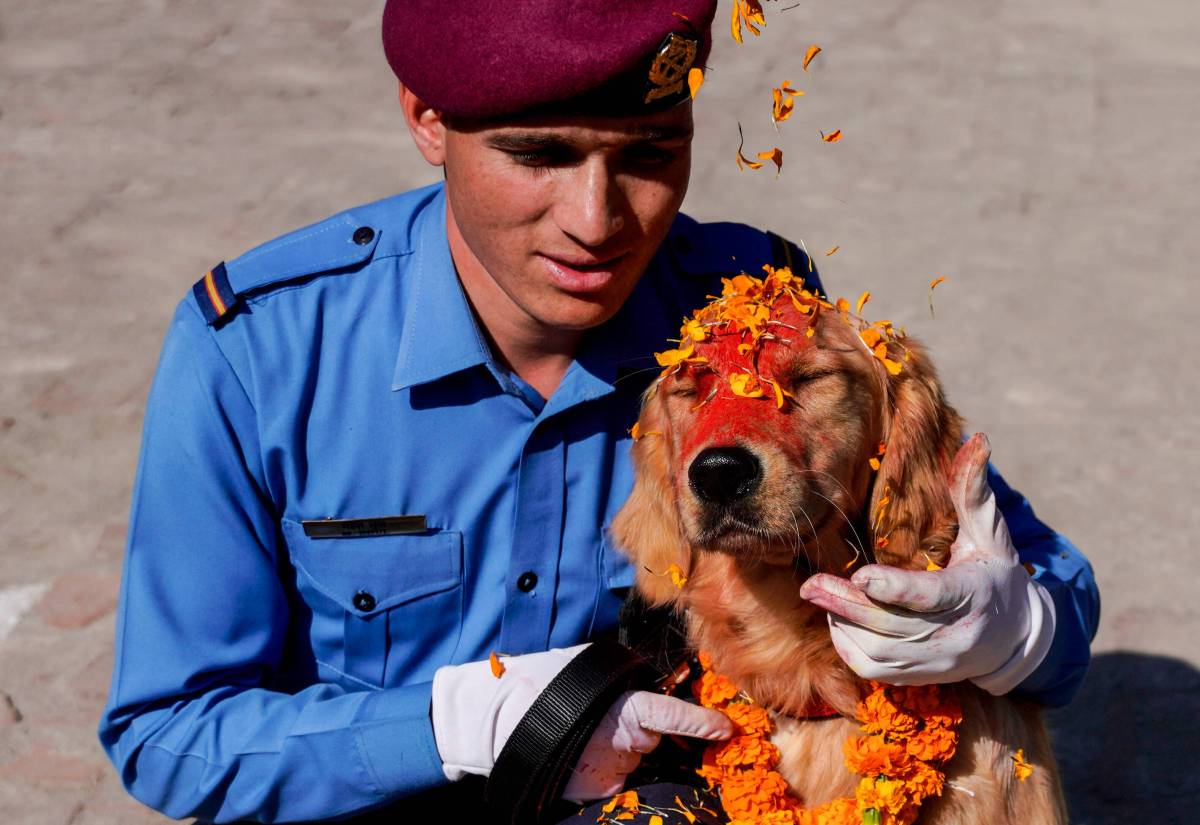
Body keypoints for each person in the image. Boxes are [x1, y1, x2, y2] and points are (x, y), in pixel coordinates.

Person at [99, 2, 1099, 823]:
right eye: (539, 154)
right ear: (427, 120)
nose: (597, 221)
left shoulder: (738, 303)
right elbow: (169, 733)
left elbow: (1027, 571)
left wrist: (1008, 627)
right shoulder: (264, 350)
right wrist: (454, 727)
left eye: (651, 154)